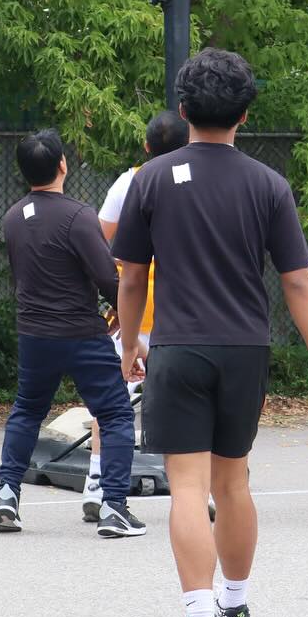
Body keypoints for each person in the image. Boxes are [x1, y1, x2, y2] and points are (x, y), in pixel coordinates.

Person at [113, 48, 308, 617]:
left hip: (178, 348)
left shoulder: (150, 179)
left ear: (183, 109)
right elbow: (298, 280)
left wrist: (130, 344)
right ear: (245, 114)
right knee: (233, 483)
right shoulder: (269, 184)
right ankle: (235, 610)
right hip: (245, 350)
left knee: (187, 488)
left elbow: (131, 278)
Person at [0, 128, 145, 539]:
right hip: (80, 331)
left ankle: (7, 494)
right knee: (115, 414)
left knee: (27, 410)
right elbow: (107, 278)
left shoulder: (12, 217)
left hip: (33, 332)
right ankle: (114, 506)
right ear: (63, 164)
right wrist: (125, 316)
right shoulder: (79, 216)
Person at [77, 108, 188, 522]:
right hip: (185, 311)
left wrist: (116, 281)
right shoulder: (198, 179)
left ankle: (96, 482)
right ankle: (203, 490)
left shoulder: (131, 181)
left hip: (135, 309)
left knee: (112, 402)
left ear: (145, 146)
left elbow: (100, 239)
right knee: (192, 402)